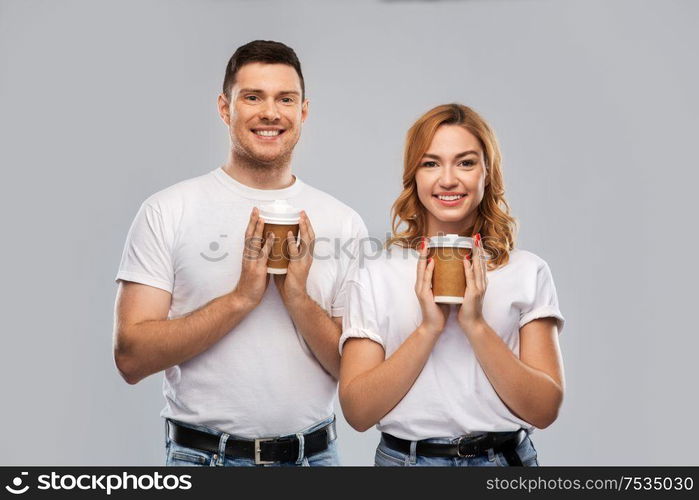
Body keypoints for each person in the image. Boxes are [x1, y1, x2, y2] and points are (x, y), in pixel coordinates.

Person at [113, 40, 367, 467]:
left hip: (315, 459)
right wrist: (242, 297)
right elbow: (131, 358)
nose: (270, 112)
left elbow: (355, 373)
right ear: (224, 108)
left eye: (285, 99)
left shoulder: (343, 222)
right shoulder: (167, 210)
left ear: (303, 111)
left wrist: (297, 296)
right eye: (253, 97)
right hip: (203, 459)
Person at [338, 103, 565, 467]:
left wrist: (475, 324)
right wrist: (430, 327)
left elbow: (544, 409)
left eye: (465, 162)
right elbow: (358, 412)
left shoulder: (527, 271)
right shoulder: (377, 273)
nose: (448, 180)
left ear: (487, 173)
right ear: (413, 176)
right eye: (430, 163)